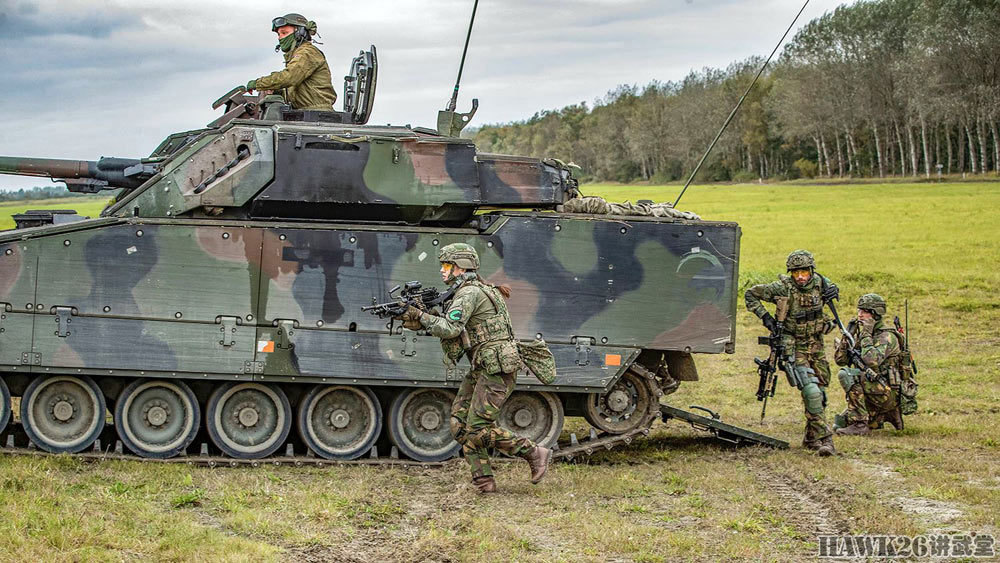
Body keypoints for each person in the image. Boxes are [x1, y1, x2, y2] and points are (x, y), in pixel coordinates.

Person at [395, 243, 552, 493]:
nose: (442, 271)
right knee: (459, 424)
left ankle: (534, 452)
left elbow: (450, 328)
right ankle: (483, 481)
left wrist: (421, 316)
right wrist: (413, 317)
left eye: (447, 265)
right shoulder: (469, 291)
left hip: (497, 368)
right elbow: (450, 327)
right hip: (484, 365)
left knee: (477, 429)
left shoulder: (469, 294)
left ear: (461, 267)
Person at [745, 250, 838, 456]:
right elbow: (750, 294)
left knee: (821, 393)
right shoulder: (782, 288)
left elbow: (832, 287)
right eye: (796, 273)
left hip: (816, 345)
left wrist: (834, 291)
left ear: (811, 270)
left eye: (804, 272)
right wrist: (766, 318)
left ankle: (811, 438)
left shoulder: (820, 283)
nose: (801, 277)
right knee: (811, 391)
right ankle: (826, 440)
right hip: (794, 346)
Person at [833, 294, 904, 435]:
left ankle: (860, 425)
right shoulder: (866, 334)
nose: (860, 315)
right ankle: (885, 415)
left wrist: (866, 334)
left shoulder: (886, 337)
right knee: (839, 423)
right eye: (859, 311)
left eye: (865, 312)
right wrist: (847, 339)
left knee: (846, 375)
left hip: (887, 392)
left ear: (876, 314)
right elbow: (841, 360)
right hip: (877, 389)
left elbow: (871, 361)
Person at [245, 13, 337, 111]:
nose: (279, 38)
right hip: (304, 113)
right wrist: (277, 90)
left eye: (284, 33)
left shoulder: (307, 53)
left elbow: (289, 77)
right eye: (279, 34)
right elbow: (296, 91)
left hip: (316, 115)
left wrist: (258, 83)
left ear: (299, 32)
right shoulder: (297, 55)